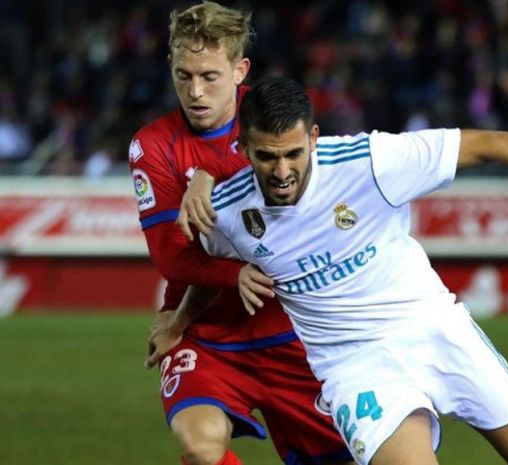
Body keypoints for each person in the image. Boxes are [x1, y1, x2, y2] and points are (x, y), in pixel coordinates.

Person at [177, 76, 508, 465]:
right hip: (357, 368)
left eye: (293, 153)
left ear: (313, 137)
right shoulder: (226, 213)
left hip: (434, 330)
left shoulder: (371, 162)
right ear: (243, 149)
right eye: (267, 157)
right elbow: (210, 271)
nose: (283, 171)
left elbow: (488, 143)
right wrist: (175, 322)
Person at [127, 4, 353, 465]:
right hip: (204, 333)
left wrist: (208, 174)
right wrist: (235, 276)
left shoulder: (271, 117)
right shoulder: (151, 145)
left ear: (239, 70)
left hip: (290, 329)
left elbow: (301, 186)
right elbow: (172, 260)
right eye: (183, 75)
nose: (195, 92)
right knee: (200, 447)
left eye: (210, 76)